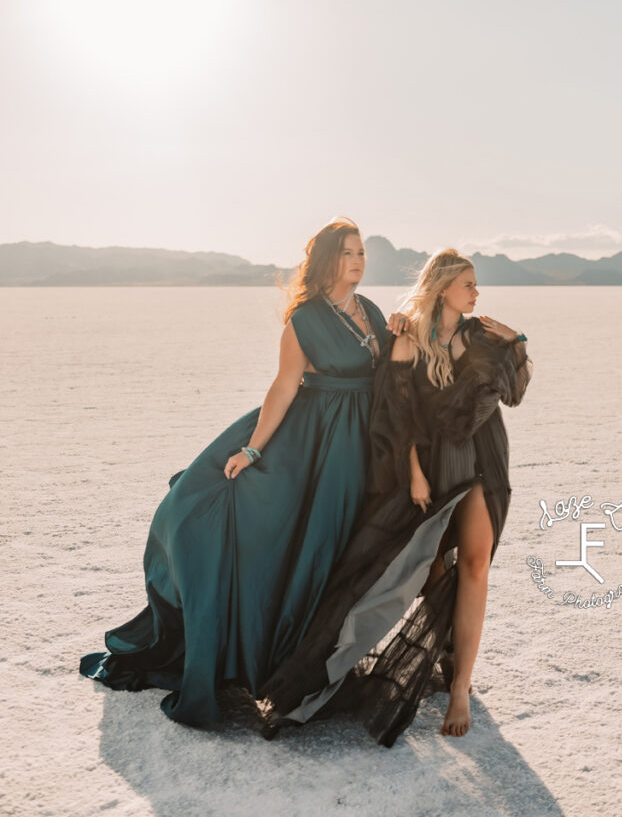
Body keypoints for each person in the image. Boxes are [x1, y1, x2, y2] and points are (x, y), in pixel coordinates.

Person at [79, 217, 405, 728]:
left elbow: (390, 371)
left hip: (359, 442)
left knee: (339, 547)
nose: (359, 260)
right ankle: (269, 665)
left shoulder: (373, 312)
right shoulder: (305, 318)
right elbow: (283, 388)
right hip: (311, 443)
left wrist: (401, 333)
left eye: (362, 252)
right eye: (348, 253)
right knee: (282, 537)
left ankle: (316, 664)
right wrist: (252, 451)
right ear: (327, 260)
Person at [261, 248, 532, 746]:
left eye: (476, 285)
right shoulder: (407, 339)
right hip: (435, 468)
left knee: (475, 565)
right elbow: (397, 414)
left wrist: (516, 339)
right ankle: (443, 649)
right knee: (427, 571)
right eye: (468, 284)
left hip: (482, 464)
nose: (476, 293)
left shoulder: (480, 336)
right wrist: (413, 474)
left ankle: (461, 689)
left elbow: (514, 392)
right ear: (443, 288)